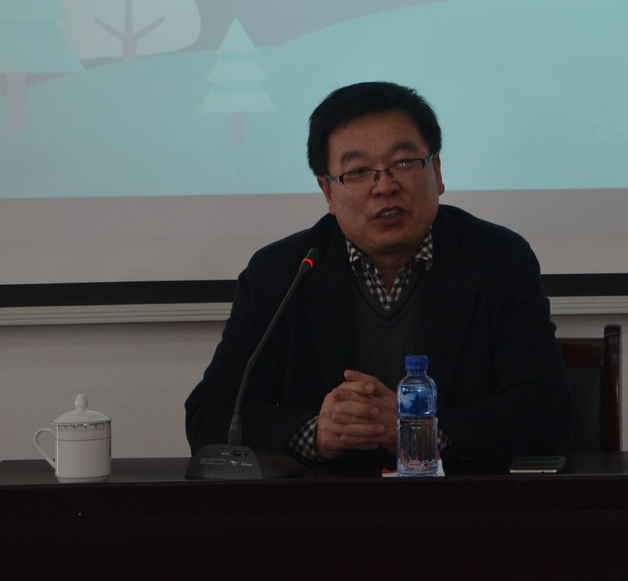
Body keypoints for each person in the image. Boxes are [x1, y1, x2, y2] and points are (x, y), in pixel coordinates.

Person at [185, 81, 572, 465]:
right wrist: (314, 433)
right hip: (324, 499)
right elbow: (212, 414)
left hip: (457, 497)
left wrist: (419, 429)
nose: (385, 186)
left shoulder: (499, 260)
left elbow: (546, 413)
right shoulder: (281, 273)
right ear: (327, 192)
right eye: (357, 171)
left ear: (437, 171)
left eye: (403, 163)